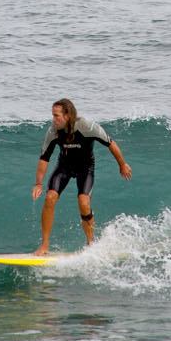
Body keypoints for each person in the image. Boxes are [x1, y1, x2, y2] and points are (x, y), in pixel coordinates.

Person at [31, 98, 130, 255]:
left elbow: (110, 142)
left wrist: (122, 164)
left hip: (85, 167)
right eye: (53, 115)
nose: (53, 119)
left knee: (84, 203)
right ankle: (44, 245)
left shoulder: (88, 127)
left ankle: (91, 243)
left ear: (67, 115)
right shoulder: (53, 132)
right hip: (64, 166)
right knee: (50, 198)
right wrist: (38, 183)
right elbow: (44, 157)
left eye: (56, 115)